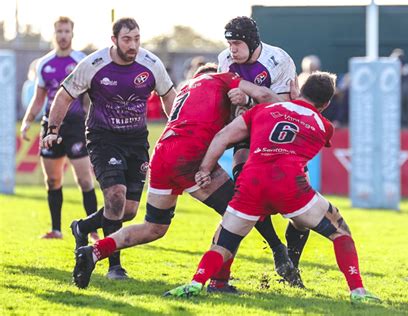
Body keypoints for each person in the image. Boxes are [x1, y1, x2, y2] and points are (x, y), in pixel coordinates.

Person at [164, 72, 381, 305]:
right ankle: (357, 291)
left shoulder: (262, 110)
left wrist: (205, 169)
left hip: (251, 183)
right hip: (289, 185)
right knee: (340, 231)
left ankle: (196, 283)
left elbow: (223, 136)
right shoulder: (324, 126)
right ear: (326, 103)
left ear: (299, 90)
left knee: (224, 242)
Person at [69, 64, 292, 290]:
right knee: (237, 213)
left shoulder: (187, 89)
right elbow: (261, 97)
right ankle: (220, 280)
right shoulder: (221, 79)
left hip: (163, 153)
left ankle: (94, 251)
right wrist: (290, 111)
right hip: (188, 156)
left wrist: (241, 106)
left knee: (153, 227)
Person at [42, 17, 177, 280]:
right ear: (113, 40)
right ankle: (114, 266)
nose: (133, 45)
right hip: (103, 139)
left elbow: (168, 95)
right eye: (127, 39)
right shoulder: (94, 64)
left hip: (137, 141)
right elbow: (65, 94)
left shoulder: (150, 64)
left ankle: (82, 227)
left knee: (128, 210)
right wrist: (53, 130)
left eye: (137, 39)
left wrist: (178, 128)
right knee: (115, 199)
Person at [217, 16, 310, 287]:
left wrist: (248, 98)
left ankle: (293, 266)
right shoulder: (225, 59)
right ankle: (277, 249)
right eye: (229, 43)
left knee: (299, 210)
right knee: (243, 184)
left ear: (252, 41)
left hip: (279, 134)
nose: (232, 49)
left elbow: (283, 104)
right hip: (246, 131)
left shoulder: (279, 60)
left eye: (237, 43)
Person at [20, 16, 98, 240]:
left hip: (75, 126)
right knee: (53, 180)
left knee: (84, 179)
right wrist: (27, 121)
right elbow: (38, 98)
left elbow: (91, 95)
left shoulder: (81, 61)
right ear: (54, 34)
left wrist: (89, 120)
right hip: (51, 126)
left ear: (72, 34)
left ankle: (92, 230)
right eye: (59, 32)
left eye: (67, 31)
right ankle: (56, 230)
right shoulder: (45, 64)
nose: (63, 36)